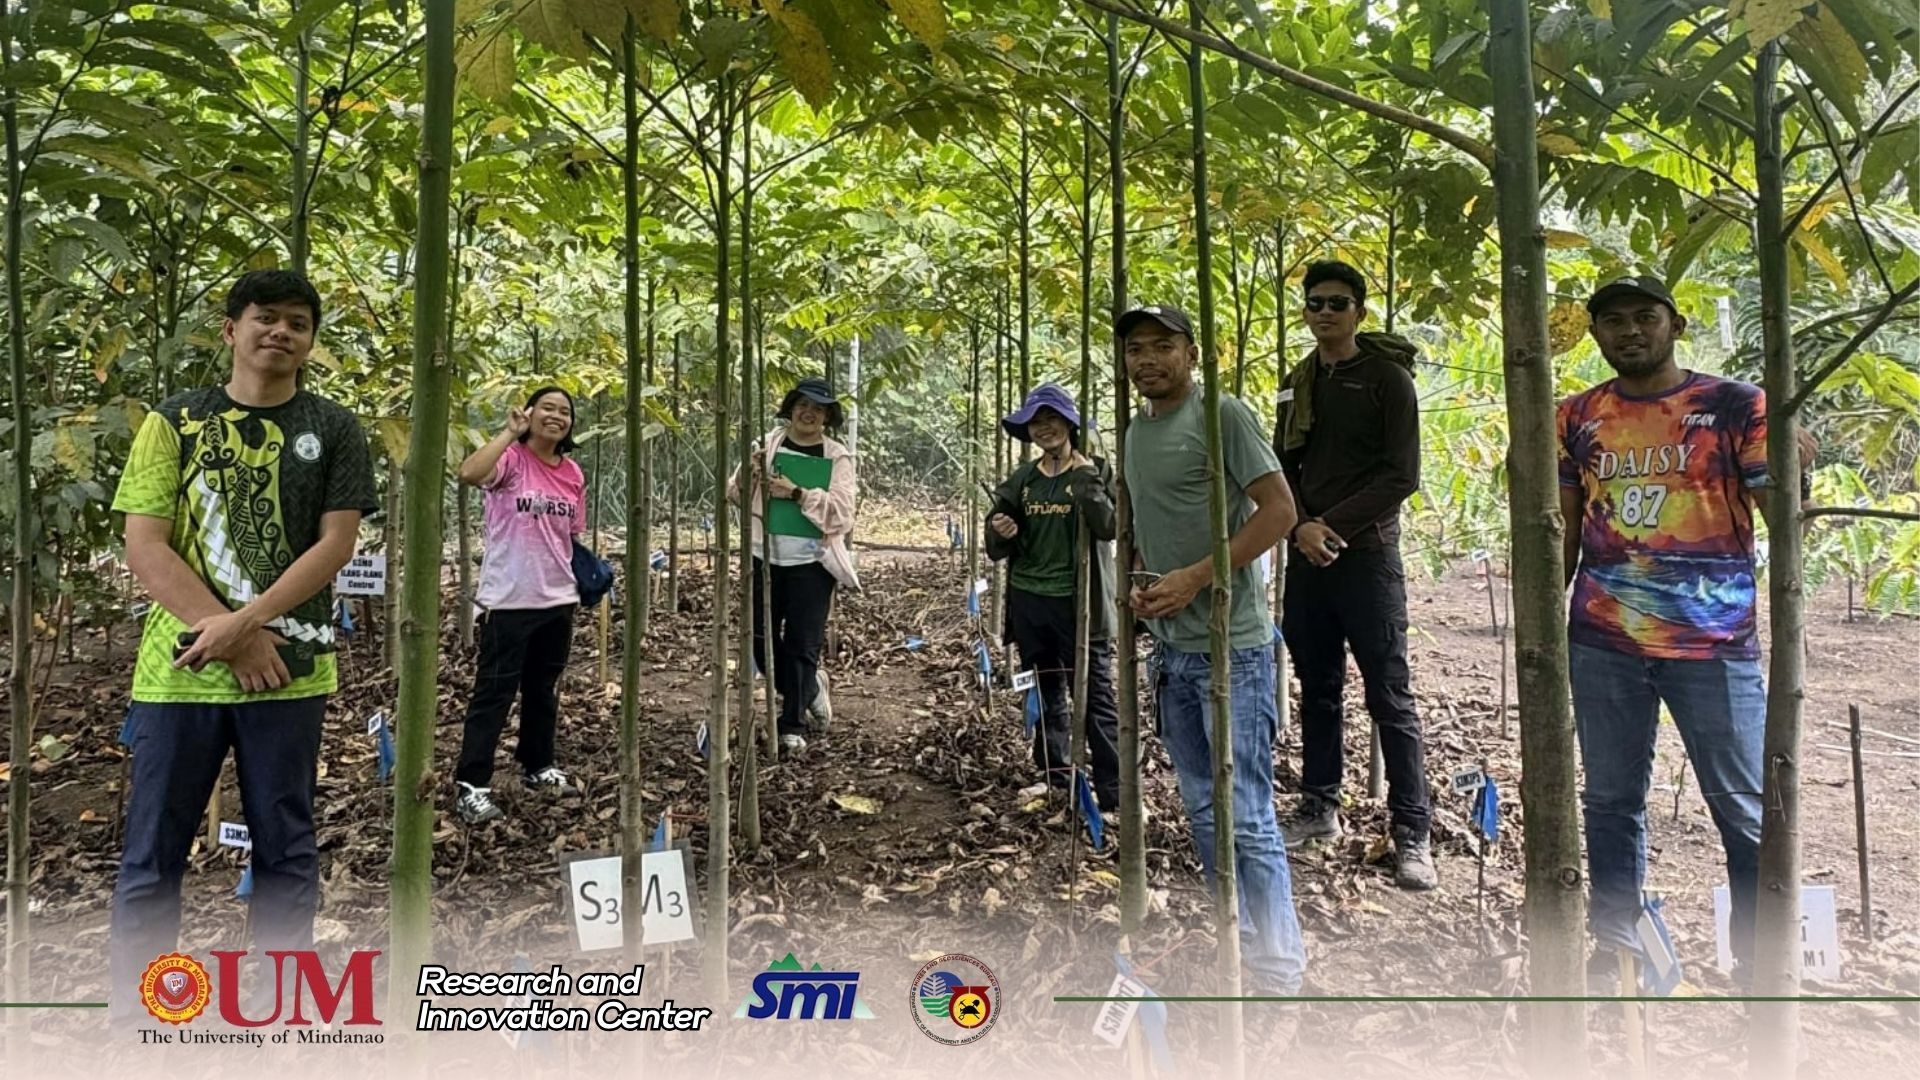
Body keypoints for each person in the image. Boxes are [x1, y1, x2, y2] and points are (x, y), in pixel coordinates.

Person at [108, 268, 376, 1022]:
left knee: (286, 848)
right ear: (231, 329)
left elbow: (336, 544)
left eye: (297, 322)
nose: (280, 332)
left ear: (311, 341)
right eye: (265, 318)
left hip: (289, 675)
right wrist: (227, 637)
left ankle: (278, 1006)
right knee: (151, 856)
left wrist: (249, 622)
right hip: (179, 676)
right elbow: (146, 544)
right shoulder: (175, 420)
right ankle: (141, 1018)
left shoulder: (337, 428)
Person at [1558, 274, 1813, 987]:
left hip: (1714, 643)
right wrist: (1547, 633)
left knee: (1744, 809)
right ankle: (1617, 950)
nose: (1629, 332)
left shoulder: (1736, 406)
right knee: (1609, 801)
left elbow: (1782, 518)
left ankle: (1761, 966)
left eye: (1645, 317)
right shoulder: (1576, 415)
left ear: (1675, 324)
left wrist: (1796, 471)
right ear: (1595, 333)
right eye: (1612, 321)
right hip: (1604, 641)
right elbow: (1564, 529)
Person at [1121, 303, 1308, 999]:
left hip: (1234, 650)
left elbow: (1280, 513)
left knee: (1248, 813)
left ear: (1192, 354)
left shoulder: (1221, 414)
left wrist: (1198, 577)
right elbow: (1148, 522)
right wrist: (1142, 588)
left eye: (1162, 346)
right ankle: (1239, 943)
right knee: (1201, 805)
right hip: (1171, 649)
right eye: (1136, 349)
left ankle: (1279, 971)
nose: (1147, 360)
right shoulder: (1136, 429)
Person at [1272, 259, 1435, 891]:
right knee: (1317, 686)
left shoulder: (1387, 380)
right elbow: (1280, 464)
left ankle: (1412, 830)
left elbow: (1401, 475)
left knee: (1389, 694)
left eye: (1337, 303)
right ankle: (1319, 807)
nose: (1324, 313)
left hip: (1365, 557)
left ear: (1359, 313)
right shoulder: (1297, 381)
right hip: (1309, 558)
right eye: (1315, 303)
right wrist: (1299, 526)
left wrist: (1326, 527)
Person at [450, 385, 588, 825]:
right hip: (508, 601)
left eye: (565, 411)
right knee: (494, 693)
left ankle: (537, 765)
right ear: (529, 413)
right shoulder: (510, 459)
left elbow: (573, 532)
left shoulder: (572, 473)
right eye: (547, 407)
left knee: (543, 691)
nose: (557, 416)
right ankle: (472, 784)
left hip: (558, 597)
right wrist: (508, 434)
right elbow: (469, 473)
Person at [984, 384, 1120, 810]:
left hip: (1081, 605)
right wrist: (1000, 529)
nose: (1044, 428)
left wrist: (1087, 487)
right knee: (1044, 690)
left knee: (1096, 696)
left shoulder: (1096, 469)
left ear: (1070, 424)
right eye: (1036, 422)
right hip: (1030, 601)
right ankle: (1055, 775)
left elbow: (1111, 526)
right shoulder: (1023, 480)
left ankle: (1114, 793)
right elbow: (996, 539)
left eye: (1052, 419)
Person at [731, 376, 859, 756]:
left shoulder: (836, 456)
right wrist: (748, 473)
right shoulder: (766, 446)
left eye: (818, 409)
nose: (809, 413)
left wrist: (799, 493)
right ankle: (811, 689)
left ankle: (792, 726)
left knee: (803, 644)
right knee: (759, 642)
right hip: (762, 557)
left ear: (827, 418)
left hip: (811, 564)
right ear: (790, 409)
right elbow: (734, 494)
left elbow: (843, 515)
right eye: (803, 404)